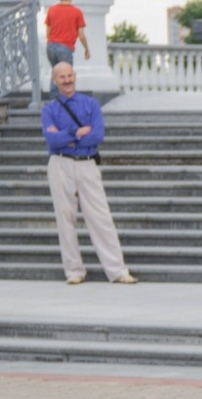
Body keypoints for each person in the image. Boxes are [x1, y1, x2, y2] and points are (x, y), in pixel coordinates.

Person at [42, 63, 137, 286]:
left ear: (74, 76)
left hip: (87, 164)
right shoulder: (49, 110)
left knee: (101, 217)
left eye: (70, 75)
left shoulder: (91, 104)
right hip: (60, 164)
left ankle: (117, 270)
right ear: (55, 81)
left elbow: (97, 135)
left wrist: (66, 137)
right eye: (62, 77)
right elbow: (51, 140)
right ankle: (73, 270)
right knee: (65, 219)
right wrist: (76, 132)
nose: (67, 80)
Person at [45, 0, 90, 99]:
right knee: (67, 76)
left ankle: (54, 101)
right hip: (65, 48)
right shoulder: (76, 12)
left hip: (51, 47)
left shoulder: (51, 10)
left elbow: (48, 31)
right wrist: (86, 49)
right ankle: (66, 102)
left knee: (55, 74)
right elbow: (81, 35)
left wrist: (51, 42)